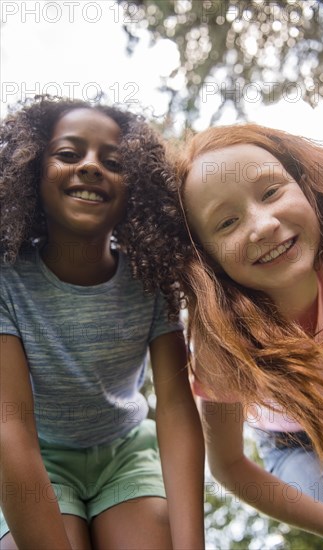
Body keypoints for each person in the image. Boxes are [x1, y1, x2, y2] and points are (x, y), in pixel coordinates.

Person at [137, 123, 323, 550]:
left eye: (271, 192)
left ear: (304, 183)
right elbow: (228, 466)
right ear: (209, 262)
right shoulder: (221, 345)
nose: (263, 225)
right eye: (227, 223)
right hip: (296, 445)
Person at [0, 95, 205, 550]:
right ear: (32, 172)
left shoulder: (151, 277)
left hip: (125, 455)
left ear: (137, 190)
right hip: (39, 457)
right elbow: (9, 423)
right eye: (68, 155)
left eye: (112, 161)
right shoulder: (6, 277)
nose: (91, 166)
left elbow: (174, 407)